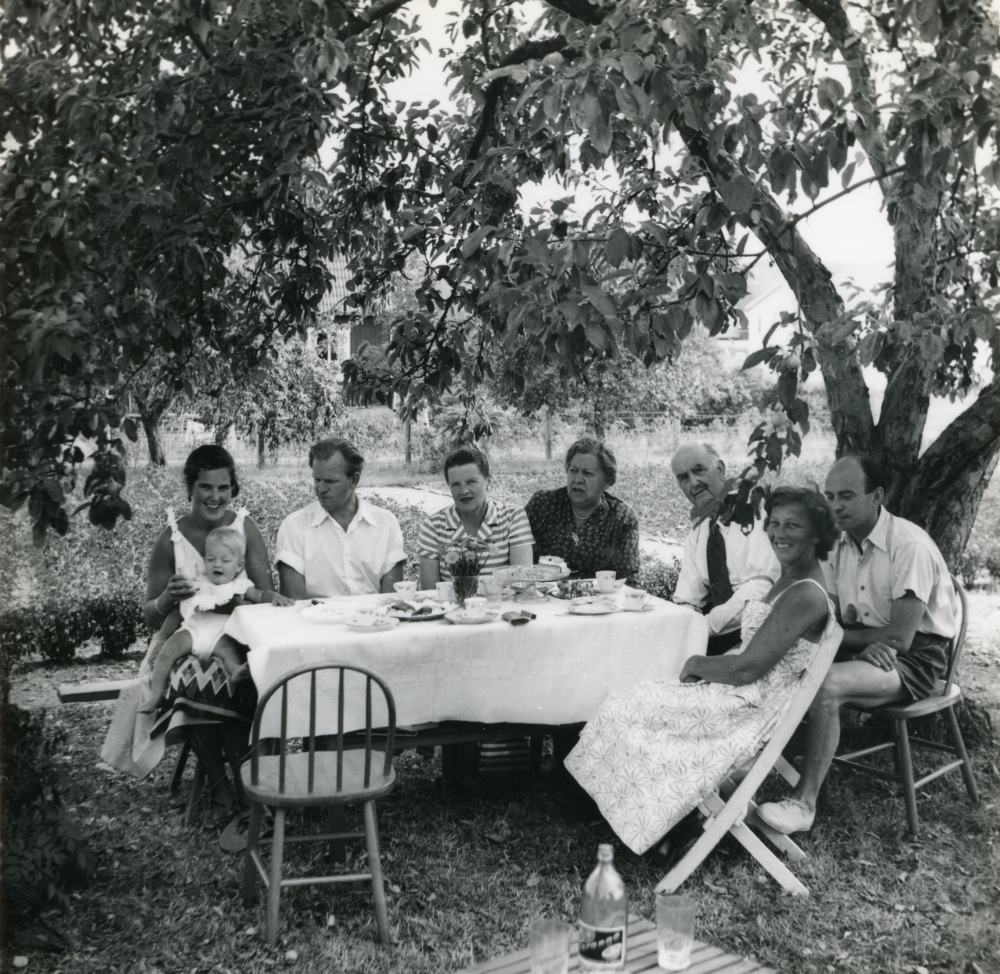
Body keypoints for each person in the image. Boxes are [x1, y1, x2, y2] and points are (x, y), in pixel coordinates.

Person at [564, 486, 842, 856]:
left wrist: (698, 664)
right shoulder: (788, 581)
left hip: (750, 708)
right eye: (774, 523)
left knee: (626, 709)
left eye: (793, 525)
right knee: (627, 702)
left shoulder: (806, 593)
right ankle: (666, 821)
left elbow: (747, 667)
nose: (779, 533)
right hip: (742, 696)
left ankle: (669, 824)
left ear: (818, 533)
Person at [756, 455, 959, 835]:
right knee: (784, 663)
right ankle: (748, 765)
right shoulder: (837, 544)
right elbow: (825, 616)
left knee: (827, 685)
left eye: (847, 495)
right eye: (830, 495)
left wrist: (843, 640)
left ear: (876, 496)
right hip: (865, 644)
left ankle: (804, 803)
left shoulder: (909, 545)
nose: (836, 505)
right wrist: (854, 644)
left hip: (918, 659)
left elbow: (900, 637)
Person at [102, 444, 281, 821]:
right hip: (179, 639)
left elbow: (264, 598)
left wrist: (233, 603)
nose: (214, 496)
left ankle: (243, 783)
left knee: (232, 684)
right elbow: (152, 618)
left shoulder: (243, 528)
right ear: (190, 488)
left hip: (233, 638)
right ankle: (221, 787)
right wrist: (168, 597)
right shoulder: (173, 537)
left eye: (223, 487)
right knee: (191, 683)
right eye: (205, 487)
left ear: (233, 489)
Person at [140, 526, 292, 712]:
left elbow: (260, 595)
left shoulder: (240, 585)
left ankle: (236, 670)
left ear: (238, 566)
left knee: (230, 653)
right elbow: (179, 611)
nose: (217, 565)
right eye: (210, 559)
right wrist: (164, 635)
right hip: (193, 630)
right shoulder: (198, 583)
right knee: (166, 653)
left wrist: (274, 597)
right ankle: (155, 696)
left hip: (222, 634)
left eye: (225, 560)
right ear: (204, 561)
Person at [670, 443, 780, 656]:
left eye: (699, 470)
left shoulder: (754, 511)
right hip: (717, 636)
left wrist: (703, 627)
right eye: (683, 477)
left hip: (762, 631)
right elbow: (687, 599)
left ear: (720, 469)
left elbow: (762, 588)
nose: (694, 483)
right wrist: (684, 631)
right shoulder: (699, 530)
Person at [276, 437, 406, 598]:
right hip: (315, 621)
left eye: (330, 481)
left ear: (354, 480)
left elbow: (391, 600)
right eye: (317, 480)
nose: (321, 489)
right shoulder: (295, 526)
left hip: (375, 619)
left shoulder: (386, 523)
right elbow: (293, 604)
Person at [525, 438, 640, 584]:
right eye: (573, 471)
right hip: (541, 599)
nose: (578, 479)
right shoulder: (542, 505)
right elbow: (515, 563)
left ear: (607, 481)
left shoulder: (622, 519)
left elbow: (629, 580)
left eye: (587, 473)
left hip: (597, 603)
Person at [417, 445, 534, 589]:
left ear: (488, 482)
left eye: (471, 482)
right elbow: (431, 593)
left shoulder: (513, 517)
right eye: (455, 485)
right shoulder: (433, 526)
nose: (464, 491)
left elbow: (523, 583)